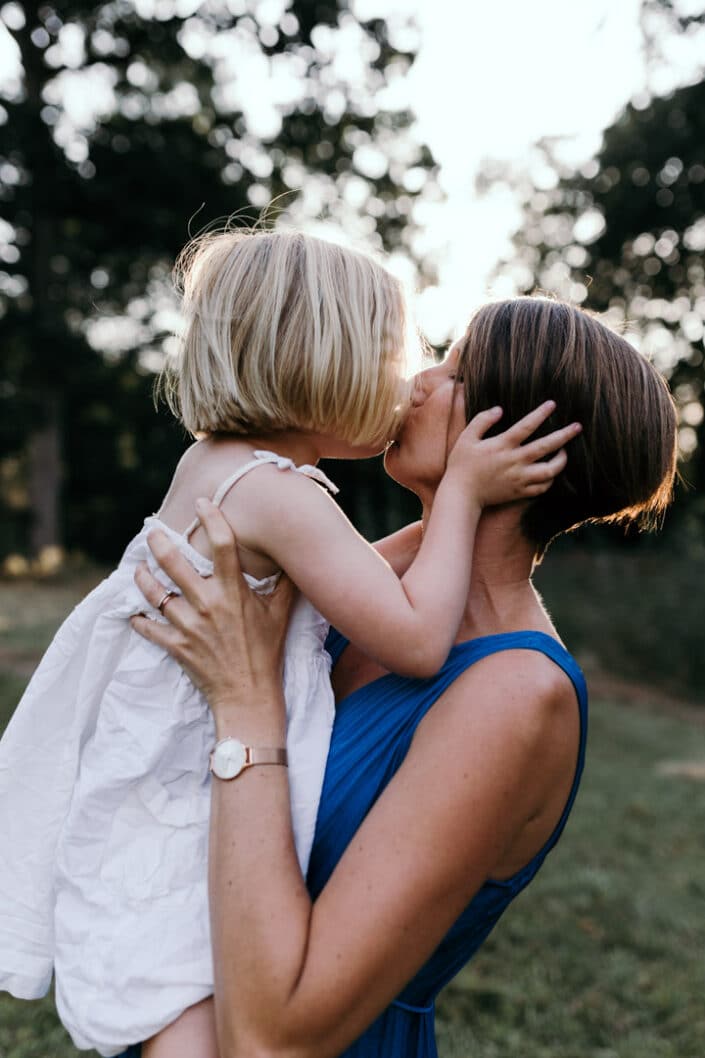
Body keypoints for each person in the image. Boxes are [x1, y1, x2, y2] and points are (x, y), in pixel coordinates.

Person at [0, 233, 571, 1058]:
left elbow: (336, 591)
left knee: (168, 967)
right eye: (391, 356)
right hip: (188, 780)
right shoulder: (285, 495)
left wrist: (450, 515)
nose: (408, 381)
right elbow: (412, 638)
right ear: (320, 366)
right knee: (188, 995)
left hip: (145, 770)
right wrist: (462, 498)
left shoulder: (219, 463)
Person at [128, 296, 678, 1058]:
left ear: (520, 437)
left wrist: (244, 702)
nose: (417, 381)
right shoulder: (368, 597)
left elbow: (275, 1039)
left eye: (455, 371)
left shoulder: (513, 692)